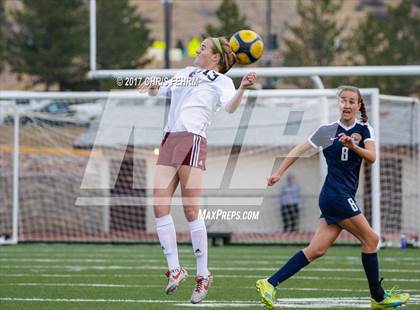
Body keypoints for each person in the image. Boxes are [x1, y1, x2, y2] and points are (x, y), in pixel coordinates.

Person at [256, 86, 409, 310]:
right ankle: (378, 297)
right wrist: (278, 172)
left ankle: (269, 283)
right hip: (335, 195)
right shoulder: (326, 131)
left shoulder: (365, 129)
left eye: (351, 101)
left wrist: (353, 145)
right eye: (343, 100)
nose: (346, 105)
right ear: (338, 103)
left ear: (358, 105)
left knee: (316, 249)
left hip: (339, 196)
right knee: (372, 240)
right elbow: (298, 149)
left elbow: (372, 157)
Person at [139, 37, 256, 304]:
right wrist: (152, 86)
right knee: (159, 206)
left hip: (192, 139)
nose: (197, 50)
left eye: (203, 47)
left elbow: (229, 107)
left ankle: (203, 274)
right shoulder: (186, 73)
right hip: (170, 139)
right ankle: (175, 269)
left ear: (215, 57)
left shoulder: (222, 81)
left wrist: (243, 88)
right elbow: (161, 90)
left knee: (191, 209)